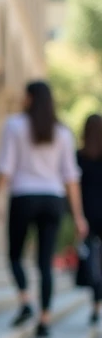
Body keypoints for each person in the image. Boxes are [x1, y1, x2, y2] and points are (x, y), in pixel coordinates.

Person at [0, 80, 87, 338]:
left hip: (23, 196)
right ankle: (44, 319)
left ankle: (25, 300)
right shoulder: (63, 133)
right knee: (45, 263)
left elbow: (5, 167)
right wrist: (78, 216)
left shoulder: (15, 126)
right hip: (53, 199)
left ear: (30, 98)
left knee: (14, 255)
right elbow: (70, 177)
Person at [77, 114, 102, 324]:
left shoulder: (79, 157)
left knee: (92, 262)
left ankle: (95, 305)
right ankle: (97, 305)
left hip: (87, 215)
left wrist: (77, 216)